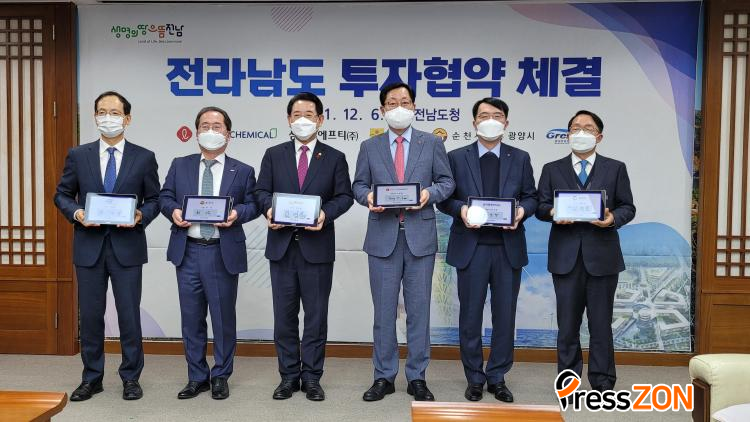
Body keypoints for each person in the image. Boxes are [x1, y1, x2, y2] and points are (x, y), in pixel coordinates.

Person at [352, 82, 455, 402]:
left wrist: (428, 195)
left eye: (405, 102)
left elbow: (447, 182)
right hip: (382, 238)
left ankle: (417, 377)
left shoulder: (431, 143)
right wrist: (368, 197)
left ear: (414, 107)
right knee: (383, 312)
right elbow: (358, 185)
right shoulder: (370, 146)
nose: (399, 107)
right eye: (392, 102)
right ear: (382, 110)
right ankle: (383, 376)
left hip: (420, 237)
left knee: (419, 311)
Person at [54, 91, 160, 401]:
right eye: (102, 112)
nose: (108, 117)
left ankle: (131, 378)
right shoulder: (78, 155)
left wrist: (141, 215)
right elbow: (62, 194)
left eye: (114, 112)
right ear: (94, 117)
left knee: (129, 315)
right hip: (89, 247)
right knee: (90, 316)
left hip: (128, 247)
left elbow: (155, 199)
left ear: (127, 118)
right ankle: (92, 378)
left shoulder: (144, 157)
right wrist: (77, 213)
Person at [255, 92, 354, 402]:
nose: (302, 120)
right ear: (288, 119)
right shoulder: (274, 154)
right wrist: (269, 210)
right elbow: (261, 192)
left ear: (320, 120)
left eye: (309, 115)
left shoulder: (334, 157)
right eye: (296, 115)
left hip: (317, 248)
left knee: (315, 317)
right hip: (282, 247)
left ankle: (312, 377)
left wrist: (325, 214)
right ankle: (288, 376)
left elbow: (345, 197)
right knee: (284, 317)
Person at [437, 98, 537, 402]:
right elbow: (444, 198)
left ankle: (497, 377)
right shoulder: (456, 157)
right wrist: (462, 210)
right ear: (474, 122)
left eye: (497, 115)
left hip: (508, 248)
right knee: (470, 316)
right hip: (471, 247)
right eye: (484, 115)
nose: (490, 120)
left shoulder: (520, 157)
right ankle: (474, 378)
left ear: (506, 123)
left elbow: (531, 197)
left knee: (505, 316)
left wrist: (521, 212)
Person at [159, 106, 260, 400]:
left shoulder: (243, 170)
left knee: (223, 319)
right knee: (191, 318)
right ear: (196, 133)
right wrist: (173, 211)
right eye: (205, 126)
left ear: (228, 134)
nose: (211, 131)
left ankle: (221, 375)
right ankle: (196, 376)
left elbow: (254, 204)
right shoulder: (180, 165)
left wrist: (237, 214)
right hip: (188, 250)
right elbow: (165, 196)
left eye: (217, 126)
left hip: (221, 251)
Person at [535, 110, 635, 392]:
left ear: (599, 136)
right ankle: (568, 381)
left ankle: (603, 381)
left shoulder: (615, 168)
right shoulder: (552, 169)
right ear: (567, 135)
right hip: (565, 257)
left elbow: (628, 207)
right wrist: (553, 213)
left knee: (601, 323)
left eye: (588, 128)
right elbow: (540, 207)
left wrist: (612, 218)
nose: (580, 132)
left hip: (603, 257)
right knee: (567, 324)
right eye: (575, 127)